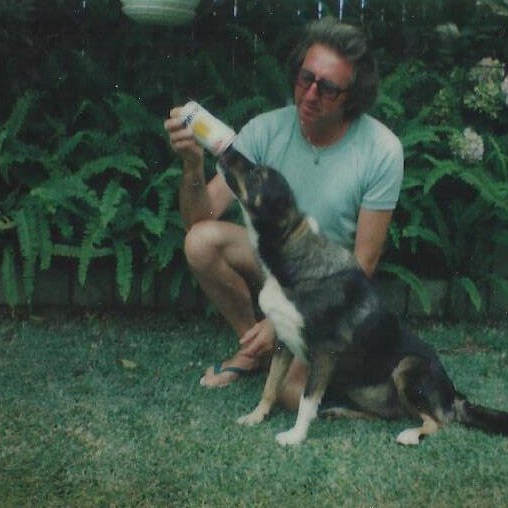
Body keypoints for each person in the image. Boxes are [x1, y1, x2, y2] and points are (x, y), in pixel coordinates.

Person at [164, 17, 403, 410]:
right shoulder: (265, 130)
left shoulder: (382, 150)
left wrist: (281, 319)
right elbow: (198, 220)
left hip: (331, 290)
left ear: (353, 95)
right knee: (200, 241)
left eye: (327, 88)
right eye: (305, 78)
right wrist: (192, 166)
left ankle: (294, 352)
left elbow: (362, 266)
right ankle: (253, 349)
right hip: (277, 264)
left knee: (293, 395)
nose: (310, 94)